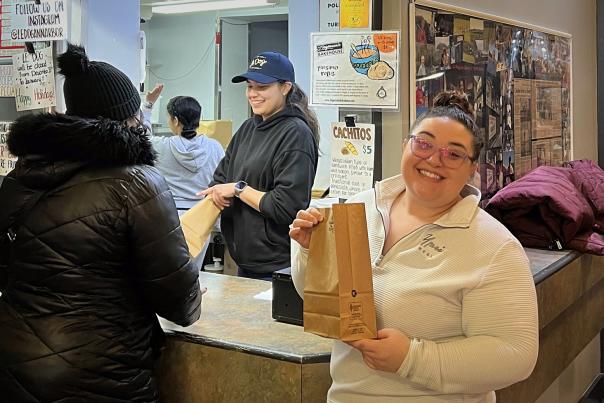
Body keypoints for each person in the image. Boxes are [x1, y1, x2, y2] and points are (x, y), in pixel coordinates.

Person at [290, 91, 538, 402]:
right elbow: (320, 299)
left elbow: (516, 354)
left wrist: (413, 359)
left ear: (472, 168)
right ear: (405, 145)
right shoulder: (359, 210)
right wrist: (312, 254)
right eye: (424, 143)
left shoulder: (493, 246)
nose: (435, 159)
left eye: (454, 154)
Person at [0, 44, 203, 401]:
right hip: (101, 374)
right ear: (125, 119)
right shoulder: (136, 183)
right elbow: (180, 303)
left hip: (14, 367)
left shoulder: (20, 177)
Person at [200, 51, 319, 280]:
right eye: (250, 87)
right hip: (243, 262)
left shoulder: (295, 134)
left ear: (285, 87)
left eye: (262, 87)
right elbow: (220, 179)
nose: (253, 94)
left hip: (277, 267)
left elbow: (286, 206)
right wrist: (218, 193)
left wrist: (238, 189)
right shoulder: (248, 128)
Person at [149, 92, 225, 266]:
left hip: (169, 216)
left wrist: (148, 106)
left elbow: (139, 136)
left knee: (169, 271)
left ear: (175, 120)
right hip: (203, 216)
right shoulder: (215, 147)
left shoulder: (162, 146)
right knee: (194, 271)